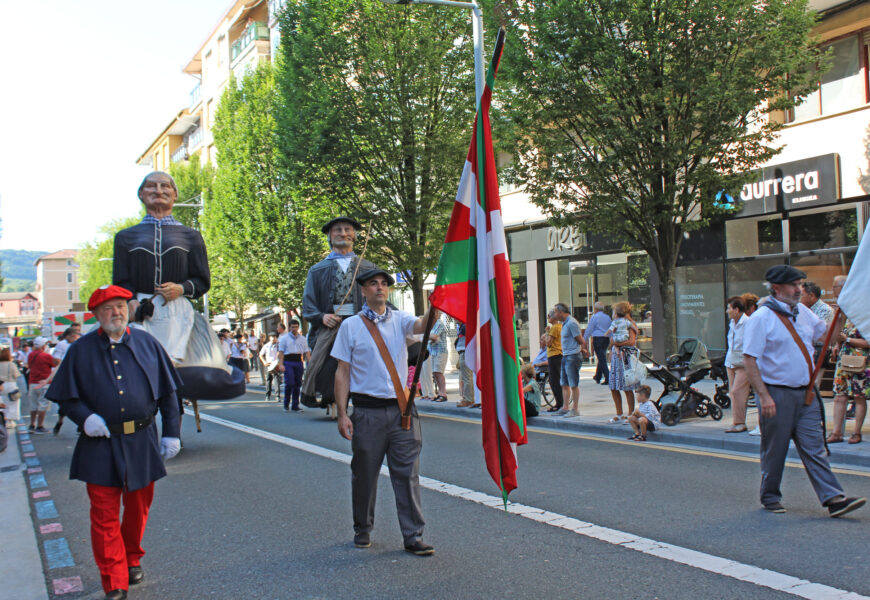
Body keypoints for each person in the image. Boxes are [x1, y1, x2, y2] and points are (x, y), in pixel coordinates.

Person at [45, 285, 181, 600]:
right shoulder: (80, 350)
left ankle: (131, 557)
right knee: (104, 514)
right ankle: (114, 580)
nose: (115, 312)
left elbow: (168, 394)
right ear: (96, 314)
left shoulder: (148, 343)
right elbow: (65, 397)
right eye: (107, 308)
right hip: (100, 444)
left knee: (137, 509)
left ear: (128, 309)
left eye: (120, 306)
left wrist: (172, 432)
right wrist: (84, 418)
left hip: (141, 441)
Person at [742, 265, 865, 517]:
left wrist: (841, 313)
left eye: (800, 284)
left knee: (814, 447)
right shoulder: (761, 318)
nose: (799, 289)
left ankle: (833, 498)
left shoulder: (804, 313)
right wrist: (763, 396)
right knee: (775, 450)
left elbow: (829, 337)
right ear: (777, 288)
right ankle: (770, 496)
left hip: (806, 393)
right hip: (777, 393)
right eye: (794, 285)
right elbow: (749, 359)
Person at [331, 267, 433, 556]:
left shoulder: (400, 319)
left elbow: (423, 325)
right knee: (364, 475)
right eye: (373, 284)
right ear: (363, 290)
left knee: (408, 475)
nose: (380, 287)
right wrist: (342, 413)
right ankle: (362, 528)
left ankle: (413, 536)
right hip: (367, 413)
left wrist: (435, 306)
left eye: (384, 284)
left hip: (402, 412)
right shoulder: (350, 326)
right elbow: (342, 371)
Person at [302, 216, 377, 409]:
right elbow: (308, 306)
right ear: (329, 236)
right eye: (338, 230)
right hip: (331, 328)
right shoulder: (316, 271)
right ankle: (324, 397)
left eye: (347, 229)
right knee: (326, 367)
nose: (343, 233)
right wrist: (322, 317)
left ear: (355, 235)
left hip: (362, 327)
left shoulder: (368, 268)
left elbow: (380, 298)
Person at [826, 317, 868, 445]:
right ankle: (836, 432)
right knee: (839, 395)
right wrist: (838, 343)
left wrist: (848, 339)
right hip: (844, 361)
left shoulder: (866, 318)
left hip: (861, 362)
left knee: (859, 397)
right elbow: (839, 336)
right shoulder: (849, 318)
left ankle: (857, 432)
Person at [607, 301, 640, 424]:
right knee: (614, 386)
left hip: (626, 357)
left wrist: (616, 343)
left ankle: (630, 414)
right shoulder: (617, 323)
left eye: (614, 312)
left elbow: (631, 342)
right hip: (617, 358)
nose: (613, 314)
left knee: (627, 387)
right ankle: (619, 414)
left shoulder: (630, 324)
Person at [553, 303, 588, 417]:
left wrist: (582, 349)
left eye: (555, 312)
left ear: (561, 312)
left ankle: (575, 409)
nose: (554, 314)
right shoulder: (565, 323)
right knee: (564, 383)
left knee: (573, 383)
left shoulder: (571, 323)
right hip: (566, 355)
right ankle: (565, 407)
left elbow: (580, 339)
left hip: (572, 356)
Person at [724, 296, 751, 433]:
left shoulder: (748, 323)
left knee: (738, 392)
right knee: (732, 393)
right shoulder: (732, 323)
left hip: (743, 363)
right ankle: (736, 422)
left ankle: (740, 423)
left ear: (737, 309)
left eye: (729, 308)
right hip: (731, 362)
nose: (727, 311)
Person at [51, 327, 82, 435]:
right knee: (66, 399)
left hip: (80, 376)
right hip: (68, 376)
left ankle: (82, 424)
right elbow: (56, 360)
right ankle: (60, 421)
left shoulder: (83, 344)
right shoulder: (62, 344)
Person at [27, 336, 59, 434]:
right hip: (44, 382)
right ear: (43, 346)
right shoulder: (46, 356)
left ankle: (31, 425)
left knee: (33, 405)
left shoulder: (31, 355)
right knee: (43, 405)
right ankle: (40, 426)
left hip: (32, 382)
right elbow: (56, 363)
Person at [278, 320, 310, 412]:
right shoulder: (284, 338)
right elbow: (281, 352)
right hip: (288, 362)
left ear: (298, 327)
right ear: (289, 327)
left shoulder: (303, 339)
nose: (294, 329)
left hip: (298, 361)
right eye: (292, 327)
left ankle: (295, 405)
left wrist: (310, 363)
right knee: (289, 383)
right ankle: (286, 404)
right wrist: (281, 364)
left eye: (296, 327)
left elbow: (307, 351)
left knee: (298, 384)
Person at [584, 302, 612, 386]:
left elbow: (589, 328)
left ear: (595, 309)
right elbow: (611, 328)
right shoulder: (607, 317)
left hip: (598, 338)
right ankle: (598, 376)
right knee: (601, 356)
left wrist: (584, 339)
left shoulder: (594, 317)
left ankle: (608, 377)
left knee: (601, 358)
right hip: (606, 339)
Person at [544, 310, 564, 412]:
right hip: (559, 354)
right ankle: (560, 402)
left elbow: (548, 343)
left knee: (554, 380)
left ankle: (559, 403)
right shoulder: (560, 326)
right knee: (556, 379)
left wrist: (546, 333)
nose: (548, 318)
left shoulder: (554, 328)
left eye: (549, 316)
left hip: (554, 355)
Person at [427, 313, 449, 402]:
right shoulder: (432, 325)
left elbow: (434, 336)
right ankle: (440, 393)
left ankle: (443, 394)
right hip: (433, 352)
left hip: (440, 352)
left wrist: (425, 334)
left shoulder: (439, 323)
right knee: (435, 373)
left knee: (439, 373)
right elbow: (432, 338)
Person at [0, 347, 22, 429]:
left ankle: (3, 419)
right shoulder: (11, 364)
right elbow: (17, 375)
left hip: (1, 385)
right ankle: (10, 421)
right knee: (13, 403)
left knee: (3, 402)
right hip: (10, 384)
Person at [455, 323, 475, 408]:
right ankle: (467, 398)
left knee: (467, 377)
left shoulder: (465, 326)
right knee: (465, 377)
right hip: (463, 352)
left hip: (465, 352)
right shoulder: (462, 326)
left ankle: (468, 399)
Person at [259, 332, 283, 401]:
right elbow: (261, 354)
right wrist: (264, 362)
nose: (273, 338)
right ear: (269, 338)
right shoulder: (266, 346)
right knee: (268, 380)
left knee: (276, 379)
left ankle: (277, 396)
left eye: (275, 337)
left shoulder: (279, 345)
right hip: (269, 364)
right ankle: (267, 395)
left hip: (276, 364)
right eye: (272, 337)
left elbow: (282, 354)